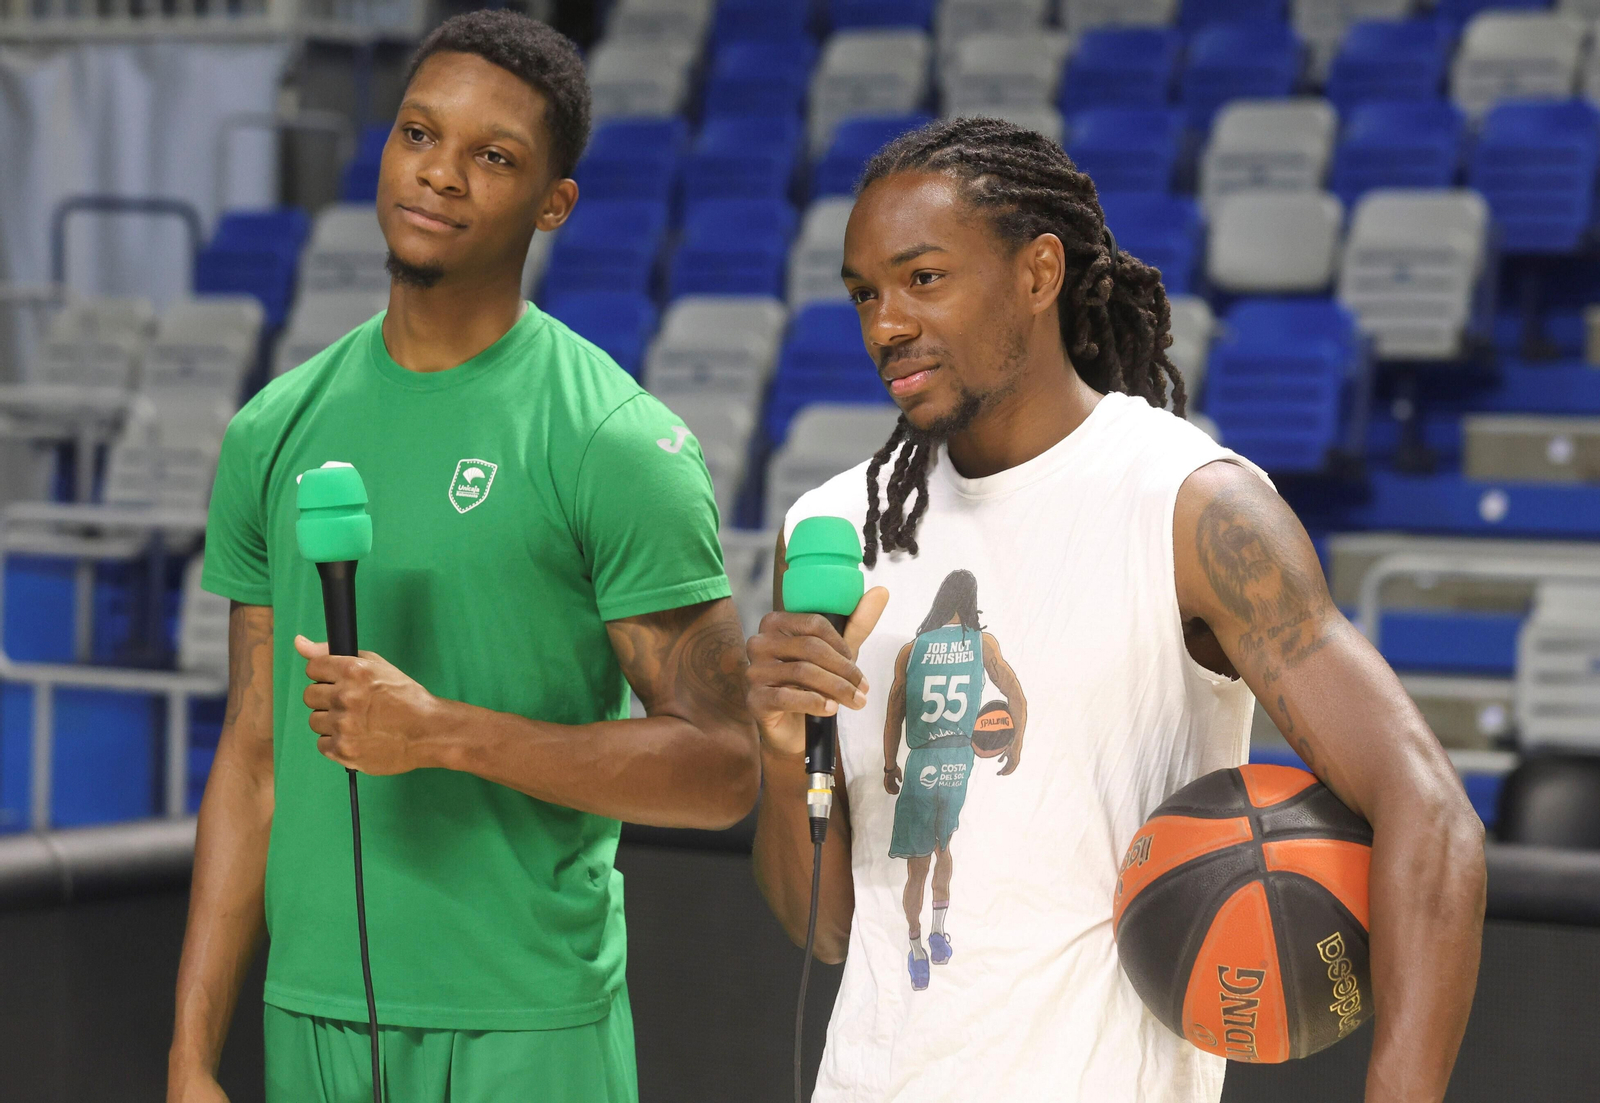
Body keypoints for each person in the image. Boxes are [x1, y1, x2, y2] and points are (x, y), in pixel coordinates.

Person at [746, 117, 1485, 1102]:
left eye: (923, 278)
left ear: (1038, 272)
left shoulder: (1188, 506)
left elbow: (1429, 811)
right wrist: (778, 741)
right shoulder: (834, 528)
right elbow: (823, 926)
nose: (885, 323)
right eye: (864, 293)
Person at [167, 13, 758, 1103]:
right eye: (418, 135)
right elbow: (253, 758)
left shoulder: (613, 442)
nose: (439, 174)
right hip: (312, 1017)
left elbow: (724, 767)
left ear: (552, 203)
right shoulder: (272, 430)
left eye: (491, 157)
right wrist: (192, 1054)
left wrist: (440, 733)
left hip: (525, 1024)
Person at [881, 568, 1026, 990]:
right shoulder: (984, 645)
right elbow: (1015, 693)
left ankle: (916, 950)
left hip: (922, 758)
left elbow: (894, 712)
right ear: (971, 600)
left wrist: (890, 766)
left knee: (917, 867)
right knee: (945, 846)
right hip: (959, 758)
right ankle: (939, 932)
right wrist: (1015, 742)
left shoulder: (912, 650)